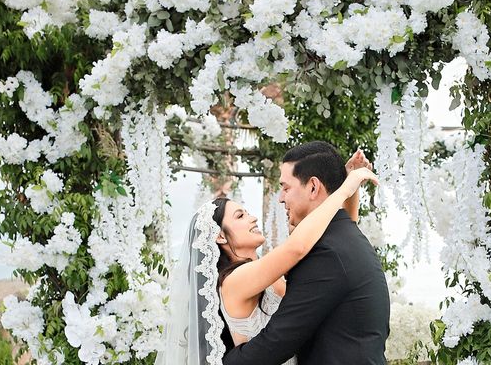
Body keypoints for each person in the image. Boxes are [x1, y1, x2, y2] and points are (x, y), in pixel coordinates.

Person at [155, 143, 382, 365]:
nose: (252, 218)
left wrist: (351, 192)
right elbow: (298, 248)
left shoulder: (271, 278)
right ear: (220, 236)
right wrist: (345, 188)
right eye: (240, 216)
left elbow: (337, 239)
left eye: (285, 188)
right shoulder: (234, 281)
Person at [223, 141, 390, 365]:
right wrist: (346, 191)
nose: (281, 198)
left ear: (313, 187)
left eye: (286, 187)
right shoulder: (341, 236)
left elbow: (278, 340)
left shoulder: (325, 252)